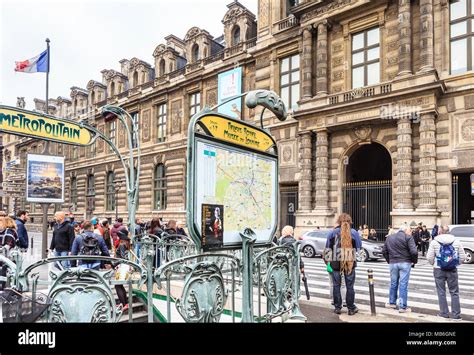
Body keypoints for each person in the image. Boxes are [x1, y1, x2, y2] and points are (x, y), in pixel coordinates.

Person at [323, 213, 362, 315]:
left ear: (339, 221)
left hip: (335, 263)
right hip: (349, 263)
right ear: (350, 221)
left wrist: (328, 263)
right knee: (350, 286)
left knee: (336, 285)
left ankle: (337, 307)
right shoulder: (354, 233)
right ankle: (351, 308)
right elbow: (359, 249)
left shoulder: (333, 233)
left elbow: (327, 249)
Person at [427, 225, 466, 320]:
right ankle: (456, 316)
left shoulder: (434, 242)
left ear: (440, 231)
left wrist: (434, 264)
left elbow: (429, 257)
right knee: (454, 292)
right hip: (452, 269)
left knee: (441, 292)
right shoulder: (456, 241)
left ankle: (444, 313)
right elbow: (463, 257)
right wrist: (455, 263)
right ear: (449, 231)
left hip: (438, 269)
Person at [382, 224, 418, 313]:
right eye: (410, 231)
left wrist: (389, 261)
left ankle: (392, 303)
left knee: (393, 283)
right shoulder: (408, 237)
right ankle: (402, 307)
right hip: (405, 262)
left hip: (393, 263)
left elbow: (384, 251)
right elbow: (414, 252)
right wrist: (414, 261)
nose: (411, 232)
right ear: (405, 230)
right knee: (403, 284)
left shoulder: (389, 238)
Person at [114, 229, 131, 312]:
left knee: (117, 285)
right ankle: (124, 303)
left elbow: (123, 257)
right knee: (119, 285)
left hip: (122, 266)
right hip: (125, 266)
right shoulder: (126, 243)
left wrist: (113, 264)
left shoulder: (121, 244)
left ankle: (124, 304)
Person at [0, 216, 18, 290]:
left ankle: (2, 286)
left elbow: (8, 245)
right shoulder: (11, 231)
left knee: (4, 271)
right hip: (11, 256)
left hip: (6, 256)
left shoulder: (9, 232)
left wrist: (1, 250)